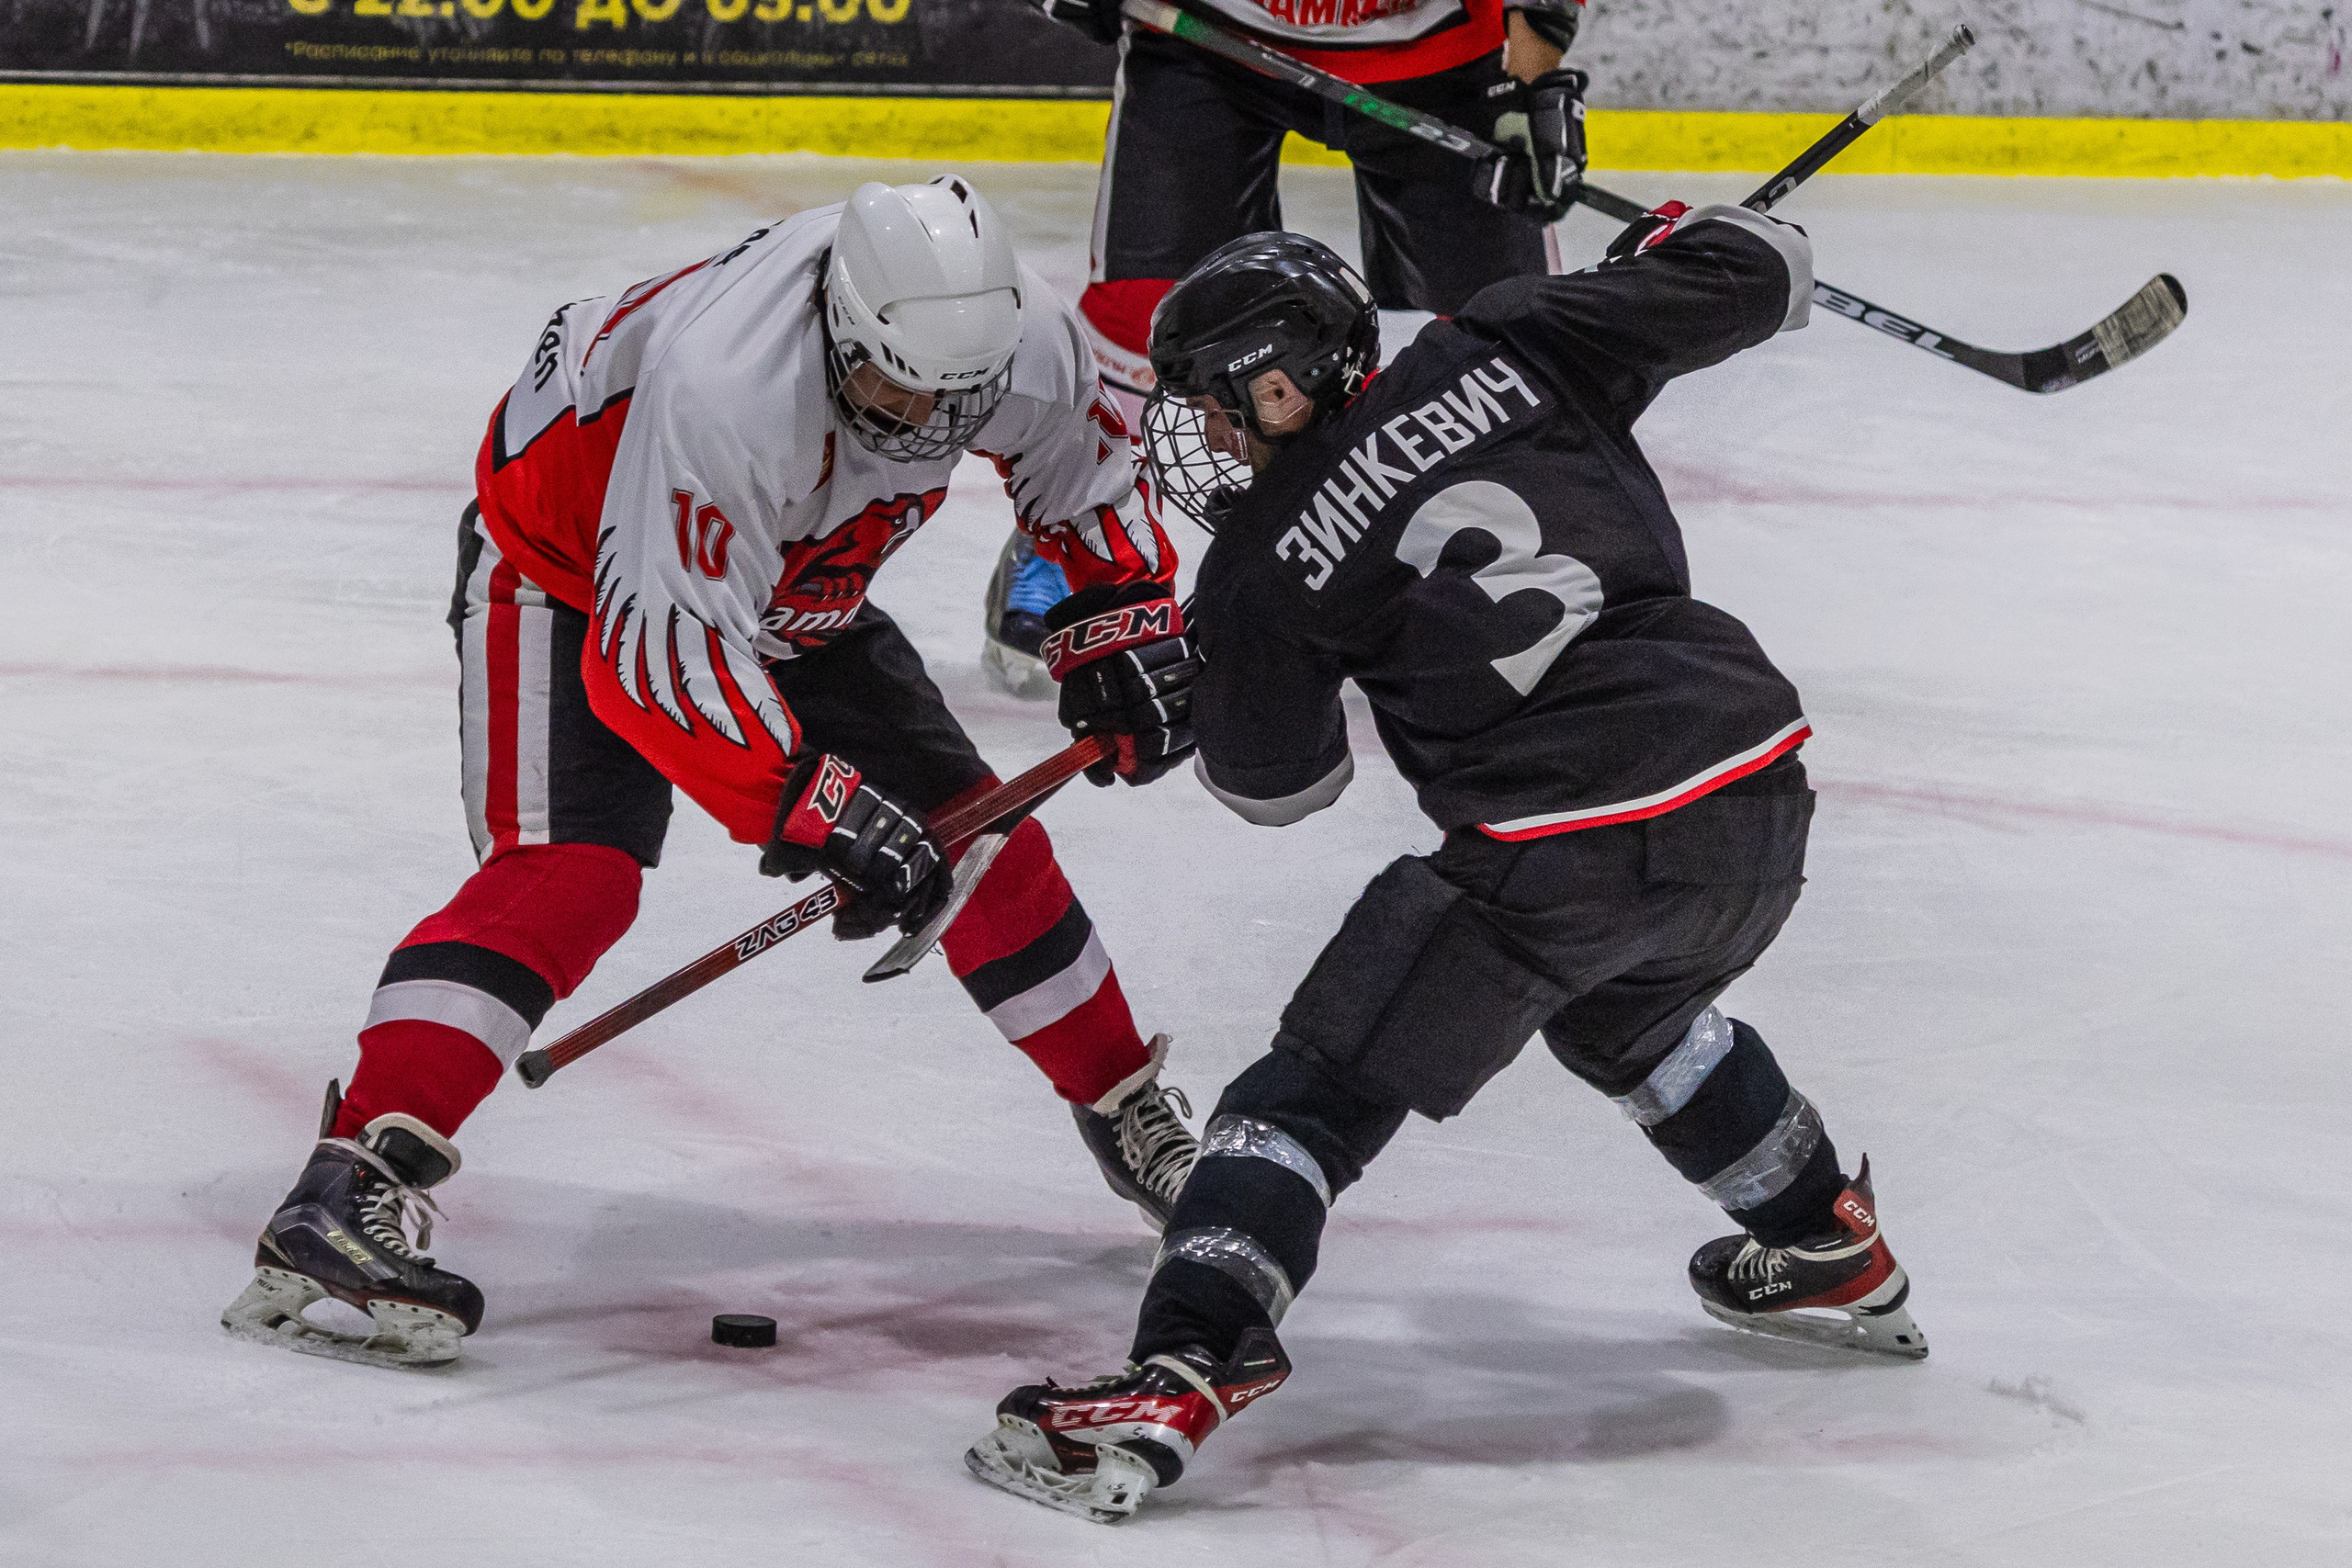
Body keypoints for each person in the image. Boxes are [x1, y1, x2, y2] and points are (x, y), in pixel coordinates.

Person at [964, 209, 1928, 1523]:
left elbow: (1281, 790)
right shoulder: (1514, 334)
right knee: (1630, 1010)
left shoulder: (1257, 557)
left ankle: (1179, 1370)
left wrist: (1227, 664)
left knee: (1303, 1100)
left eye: (1219, 401)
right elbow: (1771, 268)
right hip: (1756, 791)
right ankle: (1828, 1242)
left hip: (1555, 852)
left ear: (1280, 373)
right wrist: (1668, 240)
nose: (1212, 435)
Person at [220, 177, 1203, 1371]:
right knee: (572, 873)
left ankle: (1130, 1114)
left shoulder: (1011, 337)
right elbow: (662, 666)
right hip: (569, 569)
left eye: (962, 399)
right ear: (844, 333)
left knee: (976, 837)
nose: (931, 426)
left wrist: (1123, 628)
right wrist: (826, 812)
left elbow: (1085, 470)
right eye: (902, 390)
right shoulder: (726, 389)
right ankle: (353, 1176)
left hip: (796, 589)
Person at [980, 0, 1594, 694]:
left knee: (1508, 333)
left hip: (1444, 53)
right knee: (1140, 302)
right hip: (1210, 33)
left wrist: (1534, 82)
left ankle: (1533, 551)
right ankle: (1074, 542)